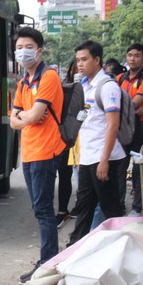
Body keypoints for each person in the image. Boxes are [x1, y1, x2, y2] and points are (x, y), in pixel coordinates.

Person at [9, 27, 65, 283]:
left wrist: (25, 117)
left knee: (43, 210)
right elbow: (14, 120)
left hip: (45, 150)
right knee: (38, 209)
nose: (22, 51)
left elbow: (29, 115)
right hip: (29, 152)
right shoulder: (24, 82)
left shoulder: (49, 77)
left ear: (39, 50)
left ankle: (48, 263)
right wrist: (26, 117)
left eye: (27, 46)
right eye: (19, 47)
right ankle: (47, 261)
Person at [68, 40, 126, 246]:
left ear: (97, 60)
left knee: (111, 211)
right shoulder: (83, 86)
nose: (80, 64)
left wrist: (104, 161)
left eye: (84, 59)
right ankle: (74, 251)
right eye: (78, 60)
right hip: (87, 158)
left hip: (105, 158)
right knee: (83, 207)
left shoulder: (108, 87)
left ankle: (121, 252)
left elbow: (112, 126)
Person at [118, 43, 143, 217]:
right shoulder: (120, 78)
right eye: (129, 55)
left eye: (137, 56)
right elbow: (118, 104)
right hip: (124, 126)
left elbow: (132, 103)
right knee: (119, 166)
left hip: (142, 127)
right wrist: (130, 107)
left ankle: (138, 207)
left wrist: (128, 107)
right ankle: (118, 206)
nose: (132, 59)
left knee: (139, 168)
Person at [56, 58, 80, 228]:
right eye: (77, 66)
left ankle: (82, 207)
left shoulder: (96, 88)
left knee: (83, 176)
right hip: (68, 137)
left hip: (86, 140)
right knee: (64, 174)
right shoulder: (64, 88)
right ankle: (62, 211)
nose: (80, 68)